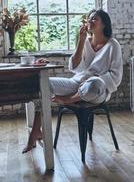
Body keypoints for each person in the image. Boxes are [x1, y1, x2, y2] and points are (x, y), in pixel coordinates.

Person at [22, 9, 123, 153]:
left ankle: (68, 99)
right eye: (89, 18)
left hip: (99, 90)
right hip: (78, 83)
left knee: (94, 83)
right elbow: (74, 67)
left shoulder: (113, 45)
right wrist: (81, 41)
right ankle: (36, 130)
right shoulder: (86, 42)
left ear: (104, 24)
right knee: (44, 83)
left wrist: (94, 80)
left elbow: (116, 76)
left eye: (95, 18)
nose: (90, 20)